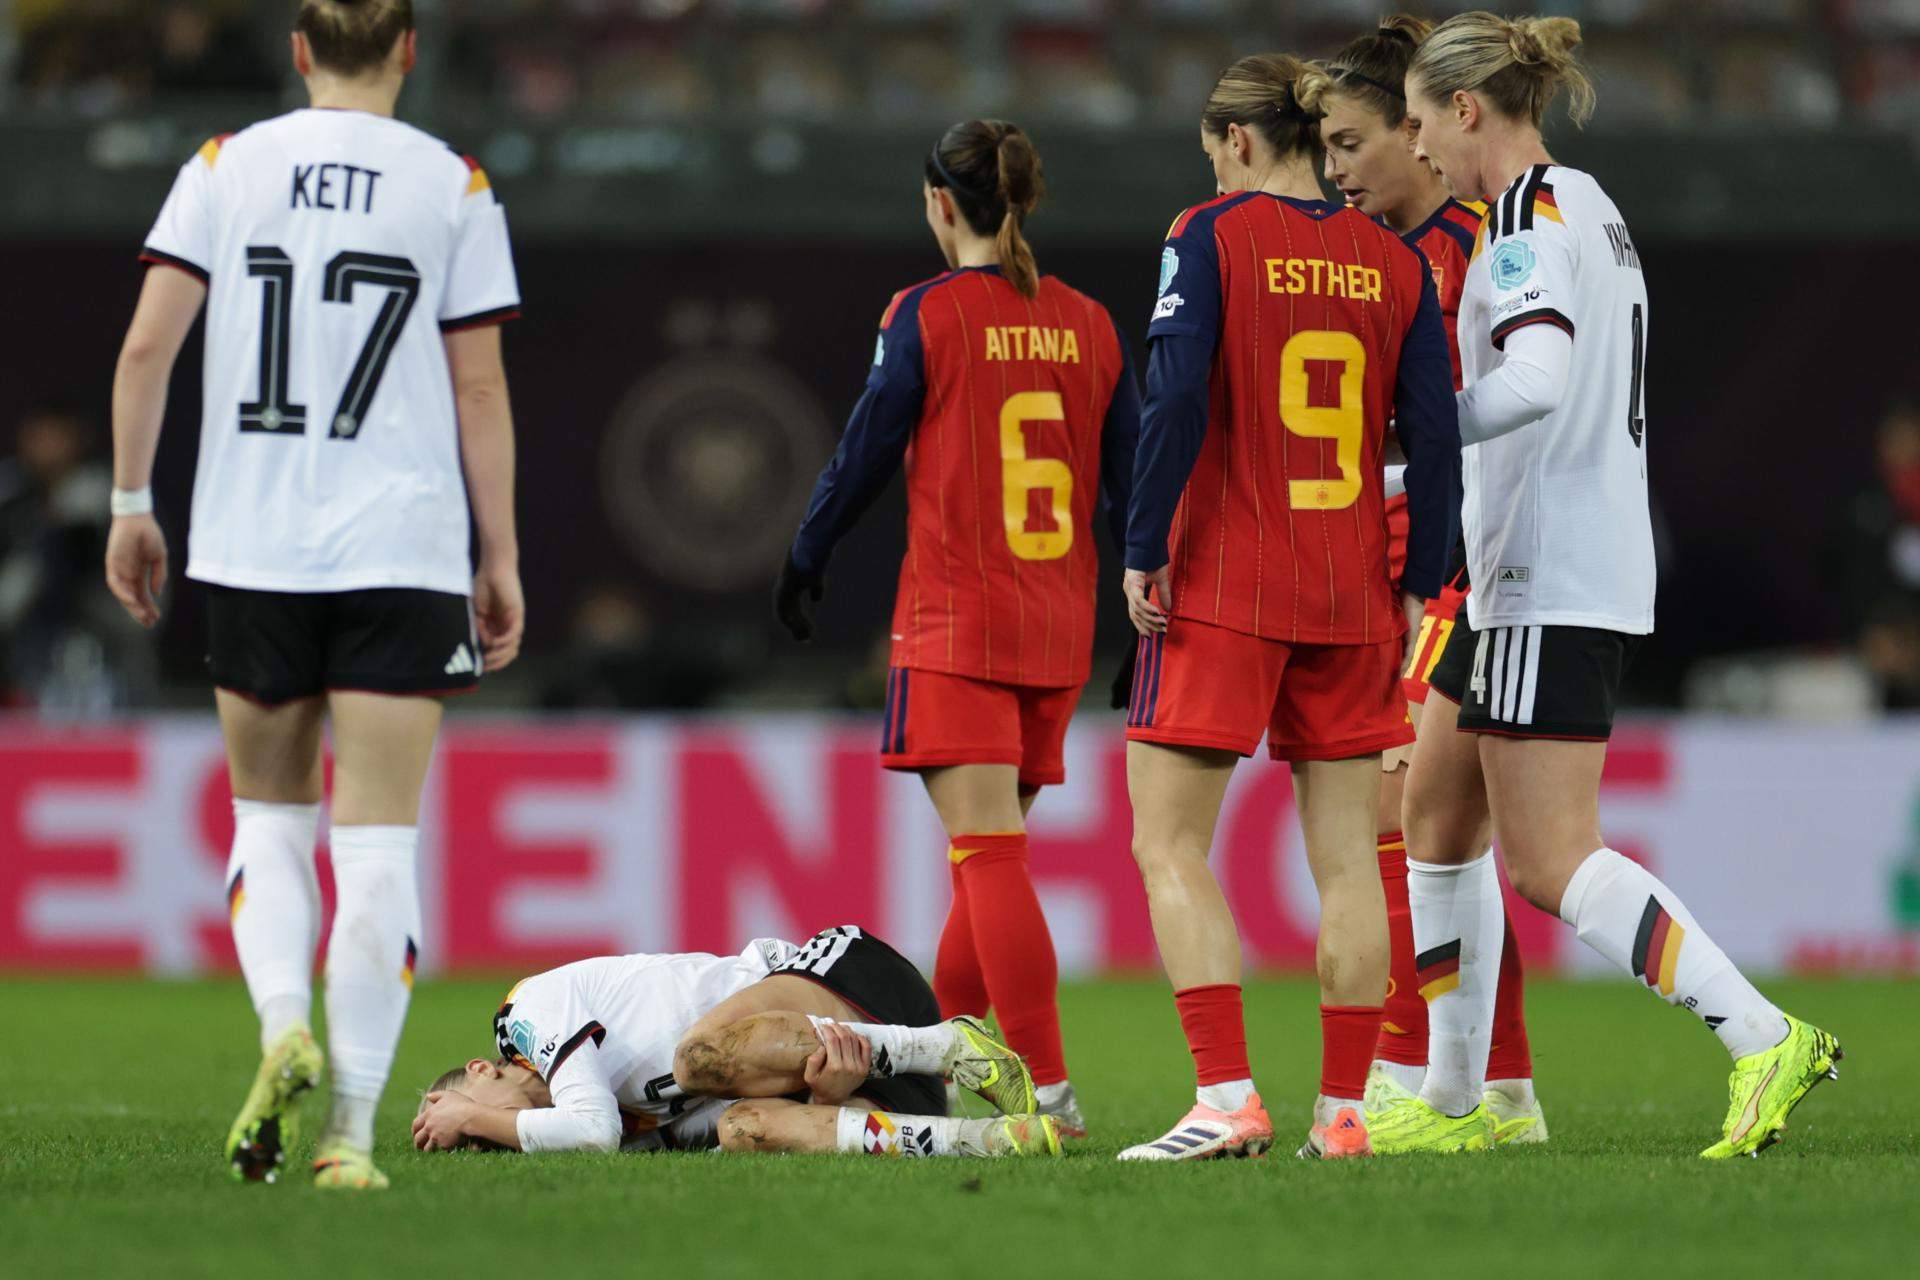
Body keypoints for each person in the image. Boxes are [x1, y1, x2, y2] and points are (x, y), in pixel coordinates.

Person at [1373, 11, 1838, 1158]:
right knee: (1433, 812)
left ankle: (1763, 1032)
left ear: (1466, 109)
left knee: (1548, 856)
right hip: (1515, 572)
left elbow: (1537, 376)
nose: (1416, 145)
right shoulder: (1590, 206)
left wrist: (1417, 432)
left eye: (1422, 121)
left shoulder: (1521, 222)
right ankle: (1458, 1100)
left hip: (1546, 569)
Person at [104, 0, 525, 1190]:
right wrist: (499, 553)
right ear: (408, 49)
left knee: (269, 823)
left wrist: (132, 500)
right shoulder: (454, 182)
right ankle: (348, 1132)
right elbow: (480, 390)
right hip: (401, 548)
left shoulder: (224, 166)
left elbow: (146, 350)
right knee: (378, 842)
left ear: (298, 51)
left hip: (254, 546)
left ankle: (283, 1020)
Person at [1116, 53, 1461, 1162]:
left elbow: (1174, 395)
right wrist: (1420, 580)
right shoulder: (1395, 260)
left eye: (1212, 152)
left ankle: (1226, 1096)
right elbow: (1436, 435)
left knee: (1168, 841)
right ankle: (1345, 1112)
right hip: (1353, 589)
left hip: (1224, 581)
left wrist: (1143, 543)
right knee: (1351, 860)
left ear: (1238, 141)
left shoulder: (1208, 234)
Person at [774, 119, 1141, 1139]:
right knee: (982, 866)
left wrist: (807, 551)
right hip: (1058, 625)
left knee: (989, 857)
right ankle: (932, 1072)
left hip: (958, 623)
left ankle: (1049, 1090)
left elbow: (864, 449)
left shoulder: (926, 313)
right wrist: (1142, 609)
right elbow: (1131, 481)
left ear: (941, 203)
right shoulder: (1090, 323)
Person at [1306, 15, 1544, 1146]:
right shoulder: (1355, 256)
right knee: (1439, 832)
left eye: (1352, 143)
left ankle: (1417, 1071)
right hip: (1376, 556)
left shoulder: (1480, 242)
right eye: (1326, 149)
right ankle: (1504, 1088)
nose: (1337, 170)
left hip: (1457, 560)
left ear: (1415, 132)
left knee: (1410, 820)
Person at [412, 926, 1059, 1160]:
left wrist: (469, 1118)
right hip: (871, 1074)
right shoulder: (639, 1128)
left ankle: (950, 1046)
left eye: (469, 1114)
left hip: (848, 977)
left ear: (481, 1069)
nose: (485, 1133)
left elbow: (590, 1129)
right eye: (478, 1141)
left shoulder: (524, 1015)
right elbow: (781, 1107)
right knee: (742, 1131)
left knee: (695, 1060)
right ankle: (982, 1143)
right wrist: (824, 1096)